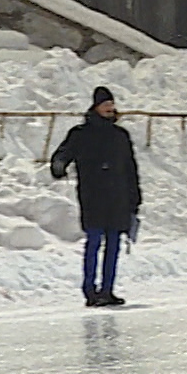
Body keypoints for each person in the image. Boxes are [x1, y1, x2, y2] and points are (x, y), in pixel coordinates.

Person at [50, 86, 142, 307]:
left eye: (112, 105)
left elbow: (131, 168)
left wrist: (135, 197)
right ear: (96, 107)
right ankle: (90, 290)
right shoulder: (81, 134)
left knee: (113, 245)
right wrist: (59, 164)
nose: (110, 109)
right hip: (93, 196)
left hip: (118, 198)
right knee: (93, 242)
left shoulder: (120, 136)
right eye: (106, 105)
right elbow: (63, 153)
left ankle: (107, 290)